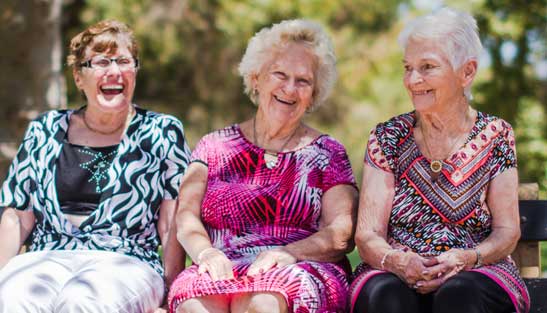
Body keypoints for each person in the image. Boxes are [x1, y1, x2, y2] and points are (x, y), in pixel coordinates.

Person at [168, 19, 358, 313]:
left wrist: (288, 253)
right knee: (195, 303)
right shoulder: (214, 145)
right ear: (256, 78)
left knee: (262, 301)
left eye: (303, 81)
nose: (290, 89)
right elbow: (186, 217)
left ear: (314, 93)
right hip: (222, 264)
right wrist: (206, 253)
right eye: (279, 74)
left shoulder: (328, 153)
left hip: (298, 266)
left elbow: (341, 234)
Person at [0, 20, 190, 312]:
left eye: (124, 61)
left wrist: (170, 292)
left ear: (135, 72)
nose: (114, 71)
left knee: (82, 302)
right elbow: (16, 217)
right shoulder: (45, 129)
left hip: (127, 262)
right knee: (12, 300)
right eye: (100, 62)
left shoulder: (161, 131)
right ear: (79, 77)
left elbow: (171, 222)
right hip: (44, 259)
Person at [350, 7, 530, 313]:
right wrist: (398, 261)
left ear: (467, 72)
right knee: (387, 297)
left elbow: (507, 232)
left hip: (477, 267)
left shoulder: (496, 134)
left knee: (459, 295)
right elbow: (368, 235)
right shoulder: (387, 137)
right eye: (407, 67)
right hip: (397, 268)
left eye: (427, 67)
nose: (412, 79)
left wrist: (467, 258)